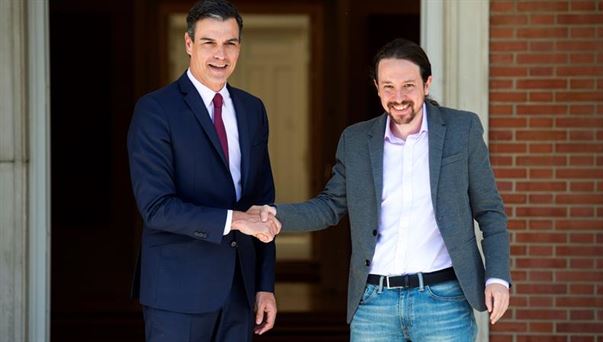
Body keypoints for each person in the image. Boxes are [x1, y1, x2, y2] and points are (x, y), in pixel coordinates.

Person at [252, 38, 510, 341]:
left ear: (427, 84)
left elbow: (489, 211)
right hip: (375, 304)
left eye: (408, 86)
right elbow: (330, 206)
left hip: (445, 302)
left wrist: (497, 277)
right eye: (388, 87)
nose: (398, 97)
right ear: (377, 88)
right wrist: (273, 214)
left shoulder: (461, 130)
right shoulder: (356, 141)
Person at [127, 0, 281, 340]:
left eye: (230, 43)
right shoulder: (156, 110)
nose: (220, 55)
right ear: (188, 44)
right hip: (177, 292)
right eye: (209, 42)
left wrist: (265, 285)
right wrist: (236, 220)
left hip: (240, 292)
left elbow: (262, 204)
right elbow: (156, 208)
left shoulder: (252, 110)